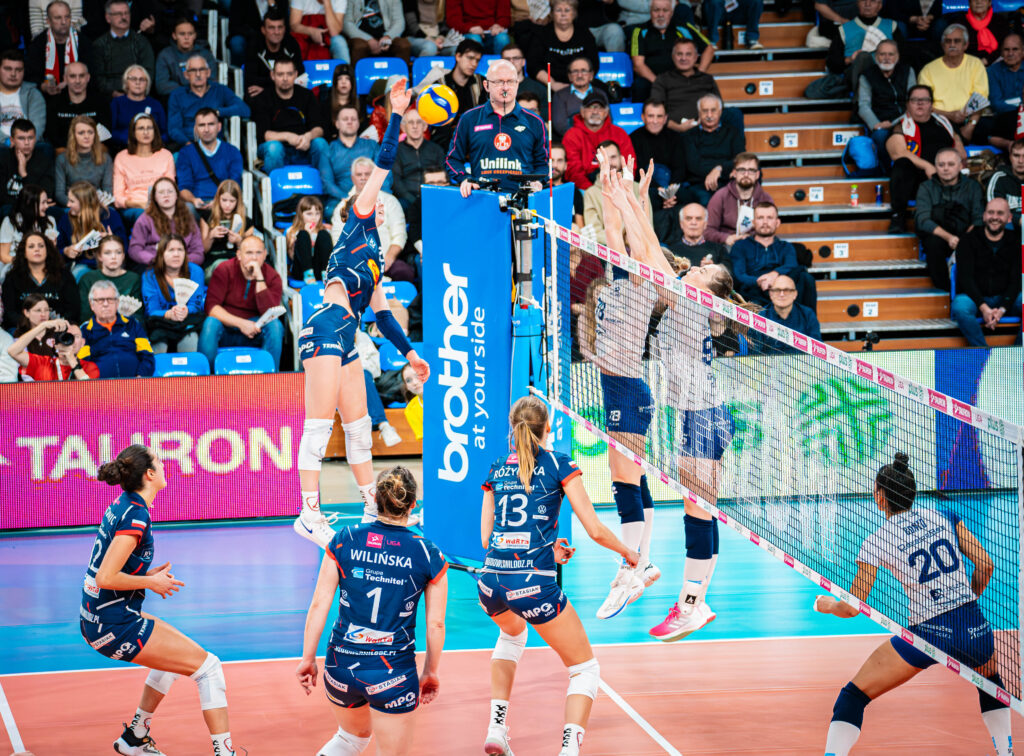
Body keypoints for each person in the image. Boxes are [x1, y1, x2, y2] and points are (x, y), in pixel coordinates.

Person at [599, 156, 736, 641]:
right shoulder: (685, 296)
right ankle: (693, 601)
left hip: (705, 416)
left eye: (705, 269)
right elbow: (652, 248)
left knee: (697, 513)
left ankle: (692, 604)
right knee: (698, 511)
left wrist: (627, 203)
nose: (698, 266)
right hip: (699, 414)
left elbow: (649, 251)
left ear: (710, 291)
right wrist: (631, 200)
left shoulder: (695, 302)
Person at [294, 79, 430, 547]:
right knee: (318, 427)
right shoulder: (357, 223)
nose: (377, 201)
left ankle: (374, 507)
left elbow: (384, 318)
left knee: (358, 430)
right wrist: (397, 113)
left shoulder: (374, 261)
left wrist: (411, 355)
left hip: (348, 336)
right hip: (324, 328)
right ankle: (308, 513)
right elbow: (384, 162)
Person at [816, 453, 1012, 756]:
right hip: (974, 627)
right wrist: (967, 601)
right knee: (990, 683)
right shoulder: (945, 516)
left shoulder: (876, 541)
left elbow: (851, 608)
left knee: (853, 696)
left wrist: (826, 604)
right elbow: (985, 565)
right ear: (912, 493)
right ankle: (1006, 752)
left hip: (928, 635)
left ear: (880, 497)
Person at [477, 396, 639, 756]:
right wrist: (631, 554)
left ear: (512, 426)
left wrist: (547, 549)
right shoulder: (558, 464)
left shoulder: (497, 468)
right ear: (548, 427)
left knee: (511, 636)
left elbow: (489, 539)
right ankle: (568, 750)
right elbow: (595, 530)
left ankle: (496, 729)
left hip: (490, 583)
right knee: (584, 669)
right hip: (531, 585)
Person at [79, 444, 241, 756]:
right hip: (114, 624)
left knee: (170, 662)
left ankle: (135, 737)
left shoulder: (123, 504)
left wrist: (144, 573)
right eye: (159, 462)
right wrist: (150, 582)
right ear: (150, 474)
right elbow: (106, 577)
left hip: (100, 619)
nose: (165, 465)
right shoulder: (136, 516)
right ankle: (225, 752)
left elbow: (110, 567)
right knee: (209, 668)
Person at [296, 466, 447, 756]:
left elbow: (319, 603)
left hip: (340, 666)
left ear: (375, 498)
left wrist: (307, 658)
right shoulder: (427, 553)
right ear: (413, 505)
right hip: (392, 673)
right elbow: (436, 624)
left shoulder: (344, 538)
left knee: (350, 739)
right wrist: (430, 672)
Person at [576, 150, 661, 620]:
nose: (619, 253)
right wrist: (613, 189)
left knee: (623, 482)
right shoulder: (617, 280)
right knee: (634, 479)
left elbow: (631, 236)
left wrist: (630, 198)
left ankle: (631, 568)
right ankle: (642, 562)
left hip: (627, 390)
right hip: (623, 389)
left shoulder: (640, 283)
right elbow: (613, 231)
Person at [447, 59, 549, 196]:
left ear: (517, 84)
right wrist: (465, 179)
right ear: (486, 85)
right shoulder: (469, 119)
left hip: (523, 201)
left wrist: (538, 181)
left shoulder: (535, 122)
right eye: (499, 82)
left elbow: (543, 164)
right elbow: (452, 159)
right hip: (482, 198)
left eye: (510, 82)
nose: (505, 88)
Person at [199, 235, 284, 370]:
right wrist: (241, 324)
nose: (254, 258)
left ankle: (269, 376)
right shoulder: (224, 269)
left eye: (258, 253)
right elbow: (212, 307)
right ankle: (206, 376)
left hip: (255, 329)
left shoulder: (273, 276)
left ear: (265, 255)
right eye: (249, 253)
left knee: (275, 326)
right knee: (211, 323)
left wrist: (259, 278)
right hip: (227, 327)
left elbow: (270, 313)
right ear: (239, 255)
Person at [886, 85, 964, 232]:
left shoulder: (944, 123)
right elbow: (897, 153)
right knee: (902, 164)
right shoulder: (901, 126)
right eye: (915, 100)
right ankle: (898, 217)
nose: (920, 103)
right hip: (918, 180)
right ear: (908, 104)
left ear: (931, 104)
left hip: (947, 177)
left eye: (925, 100)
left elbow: (959, 147)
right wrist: (928, 166)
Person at [950, 197, 1022, 346]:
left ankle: (1018, 351)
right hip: (974, 300)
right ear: (984, 216)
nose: (994, 217)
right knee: (960, 306)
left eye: (1000, 213)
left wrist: (1002, 309)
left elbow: (1016, 281)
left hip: (1007, 299)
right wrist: (984, 308)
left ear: (1009, 218)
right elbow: (966, 279)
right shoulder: (967, 240)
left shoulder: (1016, 241)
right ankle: (983, 352)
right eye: (990, 212)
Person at [914, 146, 984, 289]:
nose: (946, 168)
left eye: (951, 164)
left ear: (960, 166)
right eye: (941, 165)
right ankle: (944, 290)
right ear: (935, 167)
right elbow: (922, 220)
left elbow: (979, 218)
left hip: (967, 235)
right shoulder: (925, 187)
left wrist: (964, 241)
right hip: (939, 237)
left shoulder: (973, 187)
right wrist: (949, 238)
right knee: (933, 244)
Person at [333, 157, 412, 282]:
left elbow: (399, 234)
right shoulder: (342, 206)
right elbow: (338, 239)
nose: (363, 178)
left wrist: (389, 258)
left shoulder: (390, 201)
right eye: (359, 174)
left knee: (404, 272)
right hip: (353, 262)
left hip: (385, 259)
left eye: (367, 174)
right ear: (352, 178)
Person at [730, 202, 816, 308]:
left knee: (805, 277)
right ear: (753, 222)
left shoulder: (786, 247)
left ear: (777, 222)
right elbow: (739, 274)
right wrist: (759, 282)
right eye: (760, 218)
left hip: (783, 289)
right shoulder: (740, 246)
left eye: (769, 218)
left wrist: (774, 275)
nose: (765, 222)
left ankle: (807, 317)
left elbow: (791, 265)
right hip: (754, 292)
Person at [251, 58, 328, 174]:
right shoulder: (263, 98)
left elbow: (319, 128)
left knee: (320, 144)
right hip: (277, 149)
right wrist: (288, 137)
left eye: (289, 74)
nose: (285, 78)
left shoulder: (307, 95)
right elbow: (264, 134)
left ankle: (325, 184)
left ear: (296, 75)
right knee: (274, 148)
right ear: (272, 75)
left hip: (304, 147)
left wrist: (308, 137)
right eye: (280, 74)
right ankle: (274, 185)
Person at [630, 0, 712, 103]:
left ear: (672, 12)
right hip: (652, 80)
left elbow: (708, 49)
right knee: (639, 85)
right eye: (656, 10)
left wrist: (698, 74)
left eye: (665, 10)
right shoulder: (640, 31)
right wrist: (660, 84)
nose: (660, 14)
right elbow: (638, 65)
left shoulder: (683, 27)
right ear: (650, 12)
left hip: (681, 79)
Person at [918, 24, 989, 142]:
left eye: (957, 41)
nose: (952, 45)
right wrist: (950, 115)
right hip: (939, 119)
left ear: (965, 45)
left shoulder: (975, 64)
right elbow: (923, 104)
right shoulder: (928, 70)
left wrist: (970, 126)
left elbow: (981, 99)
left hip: (971, 118)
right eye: (948, 41)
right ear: (942, 45)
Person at [321, 105, 391, 216]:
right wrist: (348, 199)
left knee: (389, 208)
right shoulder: (329, 150)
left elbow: (384, 174)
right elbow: (327, 183)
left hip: (372, 197)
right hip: (341, 198)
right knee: (331, 211)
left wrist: (383, 196)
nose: (350, 122)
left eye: (353, 119)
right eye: (345, 119)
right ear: (337, 124)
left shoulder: (371, 146)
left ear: (358, 123)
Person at [141, 234, 206, 353]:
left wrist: (186, 310)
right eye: (171, 250)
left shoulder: (196, 271)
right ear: (161, 254)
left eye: (180, 250)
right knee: (158, 345)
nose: (176, 254)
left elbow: (196, 305)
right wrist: (169, 314)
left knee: (190, 341)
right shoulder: (149, 276)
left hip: (187, 322)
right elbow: (151, 310)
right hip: (160, 324)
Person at [167, 55, 250, 148]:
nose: (198, 74)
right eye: (193, 70)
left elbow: (244, 110)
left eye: (202, 69)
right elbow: (174, 129)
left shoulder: (220, 90)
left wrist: (217, 112)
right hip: (188, 144)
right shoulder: (177, 95)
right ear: (186, 74)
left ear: (208, 72)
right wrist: (189, 146)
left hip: (215, 146)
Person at [79, 279, 154, 377]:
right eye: (100, 300)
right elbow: (83, 363)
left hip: (135, 383)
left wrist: (140, 377)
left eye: (110, 299)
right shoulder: (85, 330)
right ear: (92, 304)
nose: (105, 304)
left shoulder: (132, 324)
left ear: (117, 302)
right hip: (100, 385)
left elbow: (147, 356)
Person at [563, 89, 636, 190]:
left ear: (606, 113)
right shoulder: (571, 135)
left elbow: (630, 166)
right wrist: (593, 192)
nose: (595, 111)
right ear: (582, 112)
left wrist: (618, 189)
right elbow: (573, 171)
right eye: (590, 107)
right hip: (584, 188)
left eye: (600, 108)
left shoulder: (619, 133)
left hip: (618, 187)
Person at [1, 233, 79, 326]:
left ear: (47, 250)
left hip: (58, 327)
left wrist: (55, 325)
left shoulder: (64, 275)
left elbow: (73, 309)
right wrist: (31, 327)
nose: (37, 249)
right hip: (23, 329)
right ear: (24, 253)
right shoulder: (12, 277)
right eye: (31, 246)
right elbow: (9, 313)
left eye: (41, 246)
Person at [582, 141, 652, 244]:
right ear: (598, 163)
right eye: (605, 159)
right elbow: (594, 233)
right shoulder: (591, 193)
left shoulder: (637, 187)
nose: (610, 163)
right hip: (608, 249)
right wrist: (623, 238)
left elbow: (647, 226)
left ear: (621, 158)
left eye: (613, 157)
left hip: (640, 246)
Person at [113, 113, 175, 229]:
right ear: (133, 132)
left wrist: (158, 205)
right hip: (134, 208)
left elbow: (170, 188)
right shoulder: (121, 157)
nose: (146, 132)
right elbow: (118, 198)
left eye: (149, 128)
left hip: (162, 205)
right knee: (145, 216)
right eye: (141, 128)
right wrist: (140, 204)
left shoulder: (165, 155)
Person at [680, 94, 745, 205]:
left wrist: (719, 169)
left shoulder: (733, 132)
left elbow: (740, 159)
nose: (709, 115)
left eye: (713, 110)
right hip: (700, 184)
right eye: (705, 111)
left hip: (728, 181)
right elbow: (693, 165)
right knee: (707, 203)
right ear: (699, 113)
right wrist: (717, 171)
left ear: (720, 112)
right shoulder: (689, 136)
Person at [176, 108, 244, 214]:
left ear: (219, 127)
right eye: (201, 125)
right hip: (196, 204)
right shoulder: (186, 153)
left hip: (224, 204)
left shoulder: (232, 152)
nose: (206, 129)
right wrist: (193, 200)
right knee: (187, 209)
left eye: (211, 124)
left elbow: (234, 184)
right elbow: (184, 187)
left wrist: (218, 202)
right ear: (195, 129)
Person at [858, 40, 916, 161]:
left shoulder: (908, 71)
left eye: (891, 54)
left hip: (906, 120)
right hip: (881, 123)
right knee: (880, 136)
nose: (886, 58)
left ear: (897, 56)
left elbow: (913, 101)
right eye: (882, 54)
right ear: (876, 56)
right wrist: (876, 124)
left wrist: (897, 122)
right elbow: (863, 106)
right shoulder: (866, 75)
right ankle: (886, 170)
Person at [129, 177, 204, 268]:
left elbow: (198, 252)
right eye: (161, 192)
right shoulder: (145, 219)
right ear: (155, 197)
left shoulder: (188, 218)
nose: (166, 195)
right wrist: (156, 260)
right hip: (155, 265)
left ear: (176, 196)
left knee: (197, 271)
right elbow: (135, 250)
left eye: (170, 191)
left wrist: (180, 261)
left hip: (184, 265)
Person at [525, 0, 599, 91]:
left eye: (567, 10)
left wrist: (578, 83)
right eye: (558, 10)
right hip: (549, 85)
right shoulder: (542, 34)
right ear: (552, 14)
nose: (563, 14)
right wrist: (553, 84)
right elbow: (533, 66)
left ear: (574, 13)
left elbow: (593, 64)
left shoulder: (584, 34)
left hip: (581, 83)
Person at [651, 39, 722, 133]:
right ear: (673, 56)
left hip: (704, 128)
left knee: (733, 113)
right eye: (679, 54)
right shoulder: (662, 79)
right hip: (675, 130)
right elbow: (655, 110)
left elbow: (719, 106)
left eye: (688, 54)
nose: (683, 58)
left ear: (696, 57)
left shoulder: (707, 79)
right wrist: (676, 127)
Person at [704, 152, 773, 246]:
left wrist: (752, 238)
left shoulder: (765, 199)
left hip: (756, 245)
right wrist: (726, 238)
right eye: (741, 170)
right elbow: (708, 231)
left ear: (757, 175)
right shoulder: (720, 196)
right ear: (734, 173)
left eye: (751, 170)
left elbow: (770, 228)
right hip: (727, 245)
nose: (746, 174)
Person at [429, 38, 487, 151]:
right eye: (470, 58)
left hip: (474, 134)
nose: (474, 64)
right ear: (458, 56)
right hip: (447, 137)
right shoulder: (440, 85)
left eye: (477, 60)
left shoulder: (481, 83)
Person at [25, 0, 92, 95]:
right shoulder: (38, 44)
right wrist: (43, 86)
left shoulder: (83, 42)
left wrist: (70, 84)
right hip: (46, 96)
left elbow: (91, 74)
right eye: (58, 18)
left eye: (67, 17)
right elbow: (30, 77)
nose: (64, 22)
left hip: (79, 93)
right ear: (48, 21)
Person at [825, 0, 898, 87]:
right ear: (857, 3)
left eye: (873, 1)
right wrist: (850, 60)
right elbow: (831, 63)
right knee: (863, 57)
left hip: (885, 74)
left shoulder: (891, 26)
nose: (867, 4)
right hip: (853, 76)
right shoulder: (844, 29)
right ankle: (861, 92)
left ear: (880, 5)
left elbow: (904, 58)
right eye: (863, 0)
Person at [57, 181, 126, 271]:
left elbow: (124, 247)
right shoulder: (66, 219)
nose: (68, 205)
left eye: (72, 201)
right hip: (82, 265)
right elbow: (57, 250)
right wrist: (66, 251)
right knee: (79, 271)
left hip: (109, 264)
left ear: (84, 203)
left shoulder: (109, 215)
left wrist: (111, 240)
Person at [91, 0, 155, 97]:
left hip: (138, 95)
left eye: (126, 13)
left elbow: (148, 73)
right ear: (108, 18)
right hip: (108, 97)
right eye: (118, 14)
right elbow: (98, 79)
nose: (124, 17)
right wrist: (115, 93)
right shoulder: (99, 45)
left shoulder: (141, 42)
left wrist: (133, 93)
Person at [44, 61, 110, 148]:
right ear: (65, 79)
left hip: (94, 150)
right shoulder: (54, 104)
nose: (77, 81)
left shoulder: (101, 102)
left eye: (81, 76)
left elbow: (106, 137)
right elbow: (54, 138)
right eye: (72, 76)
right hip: (65, 151)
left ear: (88, 78)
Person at [244, 9, 306, 100]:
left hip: (285, 92)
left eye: (280, 27)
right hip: (264, 97)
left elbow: (299, 72)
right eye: (271, 28)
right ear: (263, 30)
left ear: (284, 29)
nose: (276, 32)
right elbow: (251, 79)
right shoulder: (254, 46)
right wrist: (281, 83)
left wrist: (269, 88)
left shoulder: (291, 44)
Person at [392, 108, 446, 213]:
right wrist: (413, 200)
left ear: (425, 127)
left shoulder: (436, 149)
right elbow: (396, 182)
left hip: (433, 196)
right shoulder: (397, 151)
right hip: (407, 199)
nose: (415, 126)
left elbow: (443, 176)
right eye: (410, 122)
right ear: (403, 128)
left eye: (419, 122)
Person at [6, 317, 97, 379]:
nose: (71, 341)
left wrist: (72, 360)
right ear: (54, 343)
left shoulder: (90, 367)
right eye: (66, 336)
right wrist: (43, 326)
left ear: (83, 343)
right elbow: (12, 351)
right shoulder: (43, 364)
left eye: (76, 336)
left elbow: (91, 392)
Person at [77, 234, 140, 320]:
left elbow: (139, 315)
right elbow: (84, 315)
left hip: (126, 325)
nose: (113, 257)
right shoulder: (87, 279)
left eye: (118, 252)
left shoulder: (133, 279)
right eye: (107, 253)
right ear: (99, 256)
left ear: (123, 255)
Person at [154, 16, 218, 97]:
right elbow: (162, 86)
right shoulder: (165, 55)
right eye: (182, 34)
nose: (186, 37)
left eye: (190, 34)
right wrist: (188, 90)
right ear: (174, 36)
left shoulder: (206, 55)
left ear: (195, 35)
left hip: (203, 98)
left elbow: (212, 82)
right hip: (177, 98)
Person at [0, 184, 59, 271]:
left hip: (42, 265)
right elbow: (4, 256)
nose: (46, 206)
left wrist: (51, 246)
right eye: (43, 203)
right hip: (15, 265)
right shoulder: (10, 222)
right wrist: (27, 263)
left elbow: (52, 255)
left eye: (47, 202)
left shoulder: (50, 221)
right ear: (29, 203)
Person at [55, 116, 111, 206]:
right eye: (81, 133)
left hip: (96, 205)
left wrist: (92, 207)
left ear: (95, 135)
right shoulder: (62, 159)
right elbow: (59, 193)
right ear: (73, 136)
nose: (86, 136)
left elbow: (108, 190)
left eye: (90, 132)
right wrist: (76, 205)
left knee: (110, 212)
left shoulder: (105, 158)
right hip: (72, 205)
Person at [550, 54, 610, 138]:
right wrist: (582, 139)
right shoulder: (560, 95)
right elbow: (560, 126)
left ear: (591, 75)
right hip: (572, 140)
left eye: (584, 71)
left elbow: (608, 121)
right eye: (575, 71)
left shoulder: (601, 94)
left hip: (599, 139)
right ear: (569, 76)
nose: (579, 75)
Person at [199, 180, 252, 272]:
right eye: (224, 200)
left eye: (232, 201)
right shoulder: (207, 217)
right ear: (218, 199)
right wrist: (211, 236)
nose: (227, 205)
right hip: (213, 262)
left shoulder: (247, 222)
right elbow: (203, 250)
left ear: (238, 201)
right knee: (223, 265)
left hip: (236, 260)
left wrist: (239, 242)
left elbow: (250, 253)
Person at [109, 65, 167, 149]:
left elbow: (164, 133)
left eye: (142, 79)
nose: (137, 82)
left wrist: (153, 141)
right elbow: (111, 131)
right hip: (123, 147)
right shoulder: (117, 103)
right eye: (133, 79)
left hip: (151, 149)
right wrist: (129, 139)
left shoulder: (155, 104)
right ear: (126, 82)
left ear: (147, 83)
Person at [1, 119, 55, 209]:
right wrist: (24, 204)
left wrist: (24, 174)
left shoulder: (45, 161)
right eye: (21, 138)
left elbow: (45, 196)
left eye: (30, 138)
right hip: (9, 209)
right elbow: (1, 197)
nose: (27, 143)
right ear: (12, 140)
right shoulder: (3, 158)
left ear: (35, 139)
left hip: (36, 210)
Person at [343, 0, 413, 64]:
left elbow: (399, 22)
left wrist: (388, 36)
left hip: (387, 37)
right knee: (359, 46)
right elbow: (346, 24)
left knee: (403, 45)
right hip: (361, 37)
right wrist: (368, 39)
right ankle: (355, 74)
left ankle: (400, 74)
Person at [668, 202, 731, 271]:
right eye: (688, 218)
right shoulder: (670, 251)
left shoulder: (719, 250)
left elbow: (729, 271)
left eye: (698, 218)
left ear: (705, 224)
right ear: (681, 223)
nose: (693, 222)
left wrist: (713, 268)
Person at [762, 273, 821, 346]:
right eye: (777, 290)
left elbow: (817, 347)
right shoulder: (761, 316)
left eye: (786, 290)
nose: (782, 294)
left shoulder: (808, 315)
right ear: (771, 294)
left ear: (795, 294)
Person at [0, 50, 46, 142]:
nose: (13, 74)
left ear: (24, 71)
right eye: (8, 69)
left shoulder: (33, 94)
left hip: (28, 145)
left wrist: (23, 143)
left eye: (18, 70)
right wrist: (6, 141)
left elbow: (38, 127)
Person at [946, 0, 1010, 65]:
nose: (979, 1)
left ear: (989, 3)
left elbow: (1004, 46)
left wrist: (986, 60)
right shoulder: (960, 23)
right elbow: (955, 48)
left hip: (995, 62)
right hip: (968, 63)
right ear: (969, 3)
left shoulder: (999, 21)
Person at [287, 195, 332, 282]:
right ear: (301, 215)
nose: (314, 218)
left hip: (319, 270)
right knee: (303, 234)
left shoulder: (324, 230)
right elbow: (292, 256)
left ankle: (326, 273)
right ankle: (308, 274)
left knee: (324, 234)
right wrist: (307, 233)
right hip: (301, 270)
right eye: (309, 214)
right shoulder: (292, 231)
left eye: (317, 213)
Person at [447, 0, 511, 54]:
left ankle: (503, 65)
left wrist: (499, 25)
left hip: (493, 31)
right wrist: (469, 28)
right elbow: (452, 19)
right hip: (468, 32)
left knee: (503, 39)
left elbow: (505, 16)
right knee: (474, 40)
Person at [986, 137, 1024, 226]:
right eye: (1016, 156)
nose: (1020, 161)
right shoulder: (999, 178)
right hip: (1006, 229)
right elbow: (993, 212)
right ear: (1010, 157)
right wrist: (1018, 220)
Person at [500, 42, 548, 108]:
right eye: (507, 59)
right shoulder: (493, 89)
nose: (511, 62)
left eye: (516, 58)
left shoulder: (539, 89)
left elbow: (544, 114)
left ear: (523, 62)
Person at [320, 64, 359, 142]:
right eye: (339, 79)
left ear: (352, 82)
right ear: (335, 82)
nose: (343, 82)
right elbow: (325, 132)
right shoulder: (325, 105)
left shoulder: (360, 103)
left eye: (347, 79)